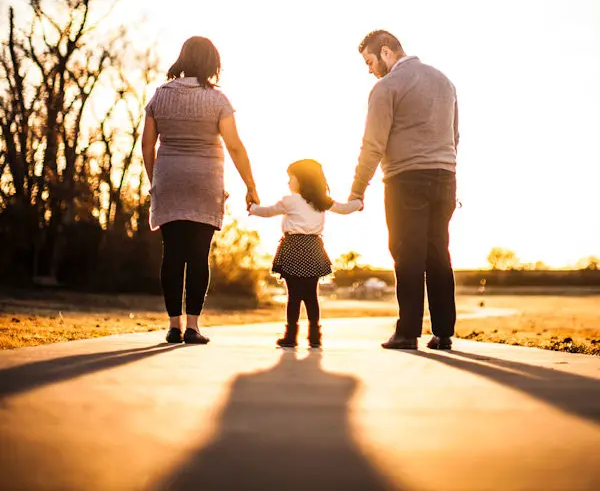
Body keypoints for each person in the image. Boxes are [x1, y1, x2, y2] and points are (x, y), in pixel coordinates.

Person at [142, 36, 259, 345]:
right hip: (205, 182)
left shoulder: (159, 96)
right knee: (198, 255)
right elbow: (234, 145)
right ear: (212, 63)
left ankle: (173, 325)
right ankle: (193, 326)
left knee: (172, 255)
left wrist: (155, 180)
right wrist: (250, 185)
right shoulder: (218, 100)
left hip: (169, 179)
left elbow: (147, 144)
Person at [349, 30, 459, 351]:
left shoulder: (387, 87)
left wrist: (357, 190)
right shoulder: (444, 81)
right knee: (438, 252)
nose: (370, 70)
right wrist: (447, 169)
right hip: (445, 177)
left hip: (405, 179)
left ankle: (407, 332)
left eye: (370, 62)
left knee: (407, 254)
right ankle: (443, 332)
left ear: (385, 52)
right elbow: (455, 135)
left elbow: (373, 144)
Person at [249, 159, 362, 348]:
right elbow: (344, 209)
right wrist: (358, 203)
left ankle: (291, 336)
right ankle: (315, 336)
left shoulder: (290, 200)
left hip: (293, 248)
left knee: (293, 296)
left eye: (290, 178)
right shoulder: (321, 201)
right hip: (313, 249)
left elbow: (268, 212)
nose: (288, 182)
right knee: (311, 295)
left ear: (301, 179)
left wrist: (252, 208)